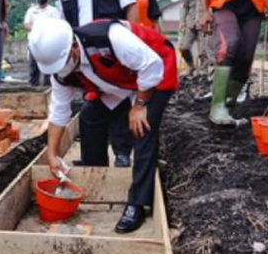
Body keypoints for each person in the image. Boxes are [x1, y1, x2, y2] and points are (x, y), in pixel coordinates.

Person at [30, 18, 178, 233]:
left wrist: (139, 105)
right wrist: (52, 154)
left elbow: (150, 65)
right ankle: (96, 176)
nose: (61, 71)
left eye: (62, 64)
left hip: (155, 73)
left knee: (142, 128)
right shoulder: (60, 73)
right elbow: (59, 112)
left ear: (72, 45)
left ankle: (138, 203)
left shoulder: (109, 37)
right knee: (89, 117)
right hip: (119, 83)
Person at [59, 0, 137, 168]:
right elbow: (64, 25)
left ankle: (122, 153)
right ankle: (93, 159)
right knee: (92, 103)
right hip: (84, 57)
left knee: (120, 100)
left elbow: (130, 7)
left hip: (114, 51)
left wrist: (134, 37)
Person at [24, 0, 61, 86]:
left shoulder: (53, 11)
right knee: (33, 69)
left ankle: (48, 92)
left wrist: (43, 30)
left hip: (48, 45)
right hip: (34, 44)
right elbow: (27, 25)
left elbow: (57, 25)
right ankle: (32, 91)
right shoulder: (31, 11)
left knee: (48, 70)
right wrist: (39, 29)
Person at [179, 0, 213, 77]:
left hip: (203, 24)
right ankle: (190, 66)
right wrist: (182, 21)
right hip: (190, 24)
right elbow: (185, 6)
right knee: (183, 47)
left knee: (203, 52)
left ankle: (203, 72)